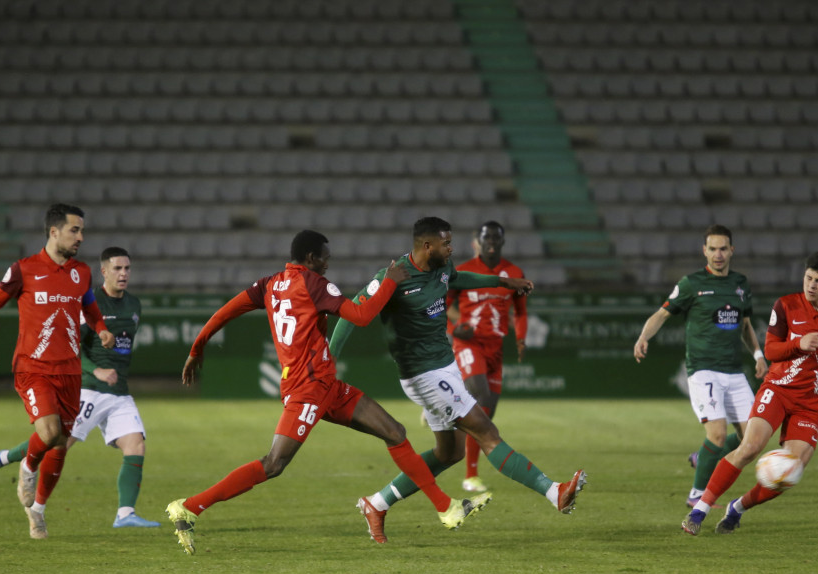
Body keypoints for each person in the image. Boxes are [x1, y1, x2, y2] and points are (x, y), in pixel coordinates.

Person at [165, 230, 490, 555]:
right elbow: (361, 316)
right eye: (324, 258)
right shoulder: (314, 284)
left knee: (395, 432)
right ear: (310, 259)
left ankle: (446, 508)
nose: (327, 264)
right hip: (307, 389)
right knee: (273, 464)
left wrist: (197, 348)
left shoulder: (268, 284)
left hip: (327, 386)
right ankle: (190, 506)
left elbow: (227, 311)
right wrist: (390, 280)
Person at [330, 217, 586, 544]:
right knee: (486, 432)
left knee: (449, 453)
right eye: (446, 243)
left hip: (444, 368)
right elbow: (352, 314)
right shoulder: (393, 278)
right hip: (424, 374)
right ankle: (555, 492)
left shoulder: (443, 267)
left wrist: (503, 284)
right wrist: (330, 356)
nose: (451, 248)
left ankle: (376, 504)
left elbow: (460, 278)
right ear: (427, 246)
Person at [682, 251, 818, 535]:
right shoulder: (786, 305)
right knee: (750, 448)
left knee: (790, 471)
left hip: (810, 404)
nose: (811, 285)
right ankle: (699, 510)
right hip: (778, 389)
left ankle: (737, 508)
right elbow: (771, 351)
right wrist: (799, 344)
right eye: (808, 278)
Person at [0, 247, 160, 528]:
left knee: (136, 444)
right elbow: (74, 342)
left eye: (127, 269)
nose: (123, 274)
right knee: (58, 441)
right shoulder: (90, 302)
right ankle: (6, 463)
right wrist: (95, 369)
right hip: (88, 388)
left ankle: (125, 514)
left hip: (119, 392)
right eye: (117, 269)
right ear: (104, 272)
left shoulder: (134, 305)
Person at [0, 203, 114, 539]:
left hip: (69, 370)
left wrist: (101, 329)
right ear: (54, 232)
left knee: (62, 442)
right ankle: (26, 467)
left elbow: (91, 308)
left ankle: (37, 510)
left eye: (81, 230)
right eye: (74, 230)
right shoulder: (24, 269)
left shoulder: (81, 272)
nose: (80, 237)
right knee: (50, 432)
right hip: (33, 367)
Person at [633, 224, 768, 507]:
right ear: (703, 251)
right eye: (712, 249)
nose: (718, 255)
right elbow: (662, 314)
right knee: (717, 435)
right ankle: (696, 495)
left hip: (734, 371)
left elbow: (744, 325)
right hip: (703, 369)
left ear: (732, 250)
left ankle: (702, 457)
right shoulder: (691, 284)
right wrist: (644, 336)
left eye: (723, 249)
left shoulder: (740, 284)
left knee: (752, 441)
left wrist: (758, 355)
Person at [446, 221, 528, 493]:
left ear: (503, 241)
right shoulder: (465, 270)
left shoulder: (514, 272)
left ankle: (470, 472)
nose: (491, 241)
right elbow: (443, 305)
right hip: (468, 343)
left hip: (495, 347)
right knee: (480, 397)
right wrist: (454, 329)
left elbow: (521, 309)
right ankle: (469, 476)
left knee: (487, 413)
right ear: (478, 241)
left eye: (496, 237)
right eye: (486, 237)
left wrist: (520, 337)